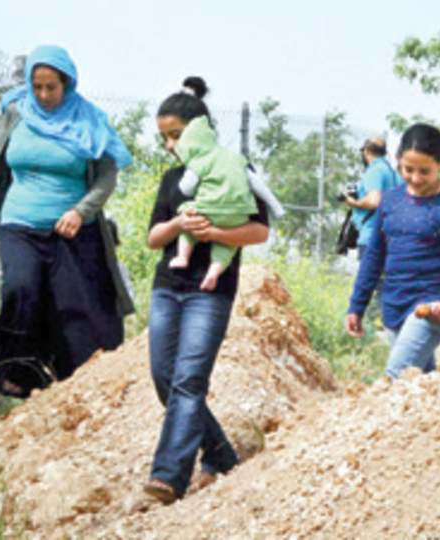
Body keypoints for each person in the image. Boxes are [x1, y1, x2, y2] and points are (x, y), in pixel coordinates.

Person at [0, 44, 135, 398]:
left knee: (71, 307)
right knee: (20, 288)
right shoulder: (18, 111)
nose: (43, 95)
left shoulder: (89, 121)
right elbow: (5, 159)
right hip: (18, 221)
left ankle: (78, 384)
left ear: (66, 84)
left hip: (69, 228)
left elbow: (105, 177)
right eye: (36, 86)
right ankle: (16, 371)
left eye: (51, 87)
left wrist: (79, 211)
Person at [143, 77, 270, 505]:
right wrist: (180, 224)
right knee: (166, 378)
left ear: (198, 130)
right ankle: (220, 454)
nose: (170, 145)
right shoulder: (174, 179)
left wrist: (214, 231)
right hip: (168, 287)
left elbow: (259, 231)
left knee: (190, 379)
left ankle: (167, 478)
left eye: (175, 135)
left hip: (210, 293)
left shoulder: (237, 169)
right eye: (164, 137)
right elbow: (153, 238)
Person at [345, 123, 440, 379]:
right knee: (421, 383)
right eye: (408, 170)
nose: (415, 179)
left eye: (424, 171)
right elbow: (374, 257)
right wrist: (357, 305)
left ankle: (382, 419)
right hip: (394, 305)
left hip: (429, 310)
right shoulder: (390, 202)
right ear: (397, 160)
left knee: (396, 376)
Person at [166, 83, 283, 291]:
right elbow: (260, 188)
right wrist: (277, 207)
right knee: (225, 249)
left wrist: (206, 230)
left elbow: (185, 189)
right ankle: (214, 272)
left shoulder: (198, 164)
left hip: (209, 291)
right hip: (233, 220)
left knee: (188, 218)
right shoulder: (237, 162)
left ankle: (183, 256)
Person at [342, 136, 403, 257]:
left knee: (369, 276)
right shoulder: (395, 175)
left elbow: (374, 200)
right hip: (392, 238)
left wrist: (353, 202)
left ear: (366, 151)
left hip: (371, 236)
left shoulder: (374, 170)